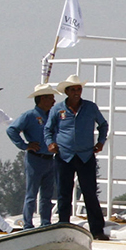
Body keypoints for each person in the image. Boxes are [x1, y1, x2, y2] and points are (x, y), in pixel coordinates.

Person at [45, 74, 110, 240]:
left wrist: (101, 142)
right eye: (73, 89)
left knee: (90, 193)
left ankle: (97, 230)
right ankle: (63, 227)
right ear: (66, 91)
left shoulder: (90, 107)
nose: (76, 92)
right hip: (64, 155)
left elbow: (103, 125)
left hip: (85, 155)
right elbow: (48, 129)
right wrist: (50, 143)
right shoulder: (57, 109)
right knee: (63, 194)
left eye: (79, 89)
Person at [7, 83, 61, 229]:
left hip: (50, 159)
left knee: (47, 195)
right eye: (50, 98)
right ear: (42, 99)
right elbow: (12, 130)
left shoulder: (52, 116)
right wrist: (24, 145)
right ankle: (28, 223)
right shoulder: (30, 116)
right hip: (35, 159)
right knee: (31, 194)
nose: (53, 101)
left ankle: (45, 222)